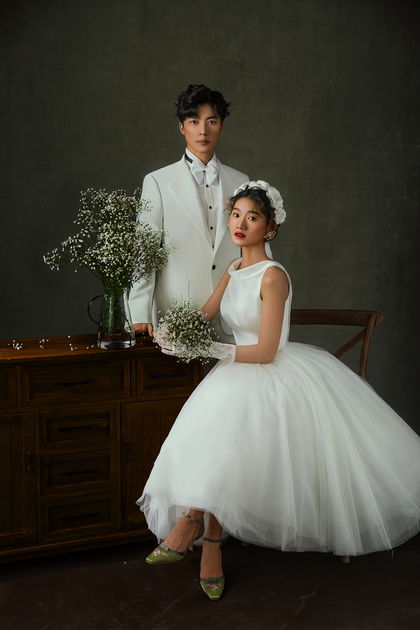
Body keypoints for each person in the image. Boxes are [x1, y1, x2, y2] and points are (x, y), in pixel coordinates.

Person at [137, 181, 420, 601]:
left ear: (269, 228)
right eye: (236, 214)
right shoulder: (233, 269)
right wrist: (175, 334)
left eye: (252, 217)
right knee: (214, 434)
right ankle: (203, 535)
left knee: (230, 433)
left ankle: (197, 529)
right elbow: (205, 316)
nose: (240, 223)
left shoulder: (273, 276)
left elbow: (267, 351)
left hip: (272, 374)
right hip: (235, 373)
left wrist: (207, 348)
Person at [128, 84, 251, 343]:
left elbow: (252, 248)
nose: (203, 131)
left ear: (221, 126)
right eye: (194, 121)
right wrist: (139, 312)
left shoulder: (241, 182)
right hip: (177, 316)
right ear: (182, 127)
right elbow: (144, 251)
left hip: (231, 314)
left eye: (211, 121)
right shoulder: (158, 182)